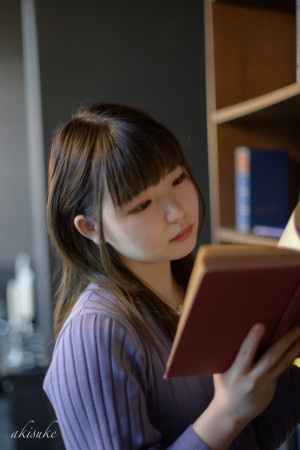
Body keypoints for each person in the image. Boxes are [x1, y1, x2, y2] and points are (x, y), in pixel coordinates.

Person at [43, 102, 300, 450]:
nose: (177, 211)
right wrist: (227, 413)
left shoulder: (204, 288)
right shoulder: (95, 333)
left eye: (177, 179)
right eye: (142, 205)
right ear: (90, 228)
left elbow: (260, 431)